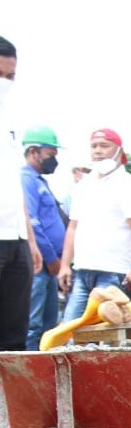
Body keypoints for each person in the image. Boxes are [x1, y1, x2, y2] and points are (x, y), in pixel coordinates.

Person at [58, 128, 131, 321]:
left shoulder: (130, 186)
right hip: (83, 271)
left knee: (109, 337)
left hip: (114, 273)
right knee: (70, 331)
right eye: (94, 146)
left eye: (104, 146)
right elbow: (73, 227)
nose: (98, 151)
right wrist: (65, 265)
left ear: (119, 151)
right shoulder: (83, 185)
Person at [0, 36, 42, 355]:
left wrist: (30, 240)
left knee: (14, 339)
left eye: (10, 76)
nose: (5, 83)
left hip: (15, 239)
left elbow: (14, 185)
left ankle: (7, 406)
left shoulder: (10, 121)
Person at [20, 126, 66, 351]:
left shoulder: (40, 181)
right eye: (51, 153)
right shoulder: (25, 179)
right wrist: (50, 257)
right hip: (41, 265)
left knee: (49, 325)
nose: (54, 158)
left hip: (52, 267)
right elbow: (33, 222)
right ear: (34, 151)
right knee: (33, 324)